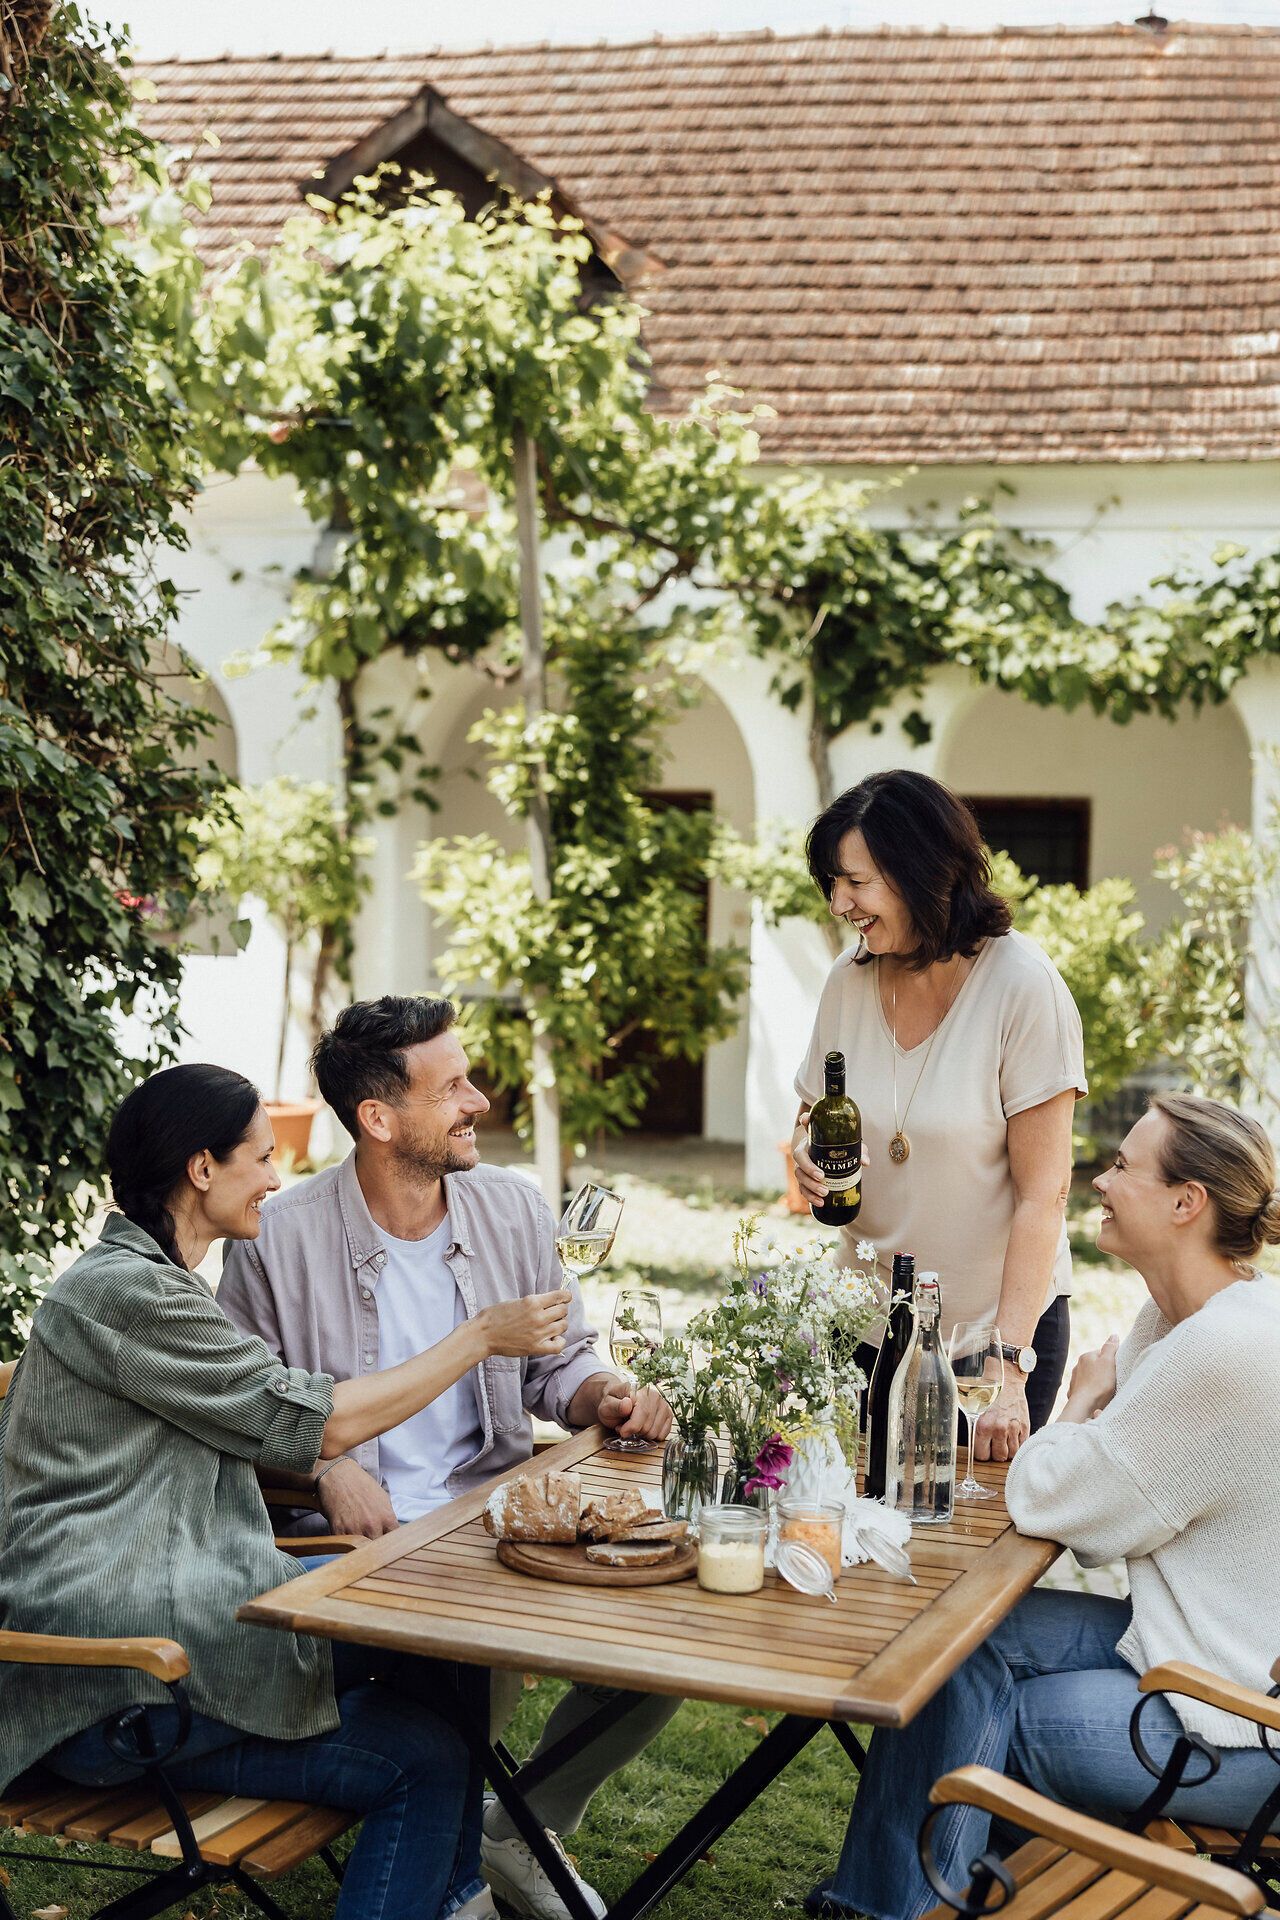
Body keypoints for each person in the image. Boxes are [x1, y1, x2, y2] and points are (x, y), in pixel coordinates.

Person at [0, 1062, 575, 1920]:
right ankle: (451, 1896)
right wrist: (479, 1337)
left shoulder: (150, 1288)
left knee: (439, 1665)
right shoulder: (125, 1299)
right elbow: (319, 1422)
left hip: (181, 1626)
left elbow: (287, 1423)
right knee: (425, 1757)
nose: (277, 1178)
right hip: (115, 1682)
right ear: (203, 1170)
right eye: (262, 1158)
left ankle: (455, 1900)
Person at [218, 995, 676, 1920]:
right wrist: (322, 1465)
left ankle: (512, 1827)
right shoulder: (286, 1237)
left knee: (663, 1649)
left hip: (500, 1520)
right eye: (453, 1086)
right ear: (379, 1120)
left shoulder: (509, 1207)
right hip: (364, 1550)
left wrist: (604, 1396)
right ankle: (460, 1878)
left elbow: (561, 1362)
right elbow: (245, 1404)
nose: (478, 1100)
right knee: (462, 1657)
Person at [812, 1091, 1280, 1920]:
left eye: (1123, 1166)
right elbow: (1097, 1504)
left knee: (997, 1712)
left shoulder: (1220, 1348)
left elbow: (1052, 1499)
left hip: (1240, 1728)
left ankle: (904, 1909)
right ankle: (879, 1903)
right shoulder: (1181, 1318)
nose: (1099, 1180)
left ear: (1186, 1202)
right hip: (1200, 1651)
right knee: (951, 1646)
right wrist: (1087, 1431)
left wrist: (1076, 1400)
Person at [793, 769, 1087, 1456]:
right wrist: (808, 1154)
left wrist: (1008, 1370)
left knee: (972, 1547)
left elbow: (1046, 1194)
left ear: (922, 871)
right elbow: (812, 1114)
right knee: (859, 1529)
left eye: (855, 882)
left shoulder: (1023, 987)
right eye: (832, 883)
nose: (840, 904)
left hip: (989, 1338)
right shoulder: (848, 978)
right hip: (862, 1325)